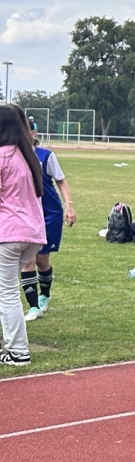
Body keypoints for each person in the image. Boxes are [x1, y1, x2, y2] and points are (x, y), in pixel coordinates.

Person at [0, 105, 47, 367]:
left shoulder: (3, 156)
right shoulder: (26, 156)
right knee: (3, 288)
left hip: (9, 233)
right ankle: (13, 346)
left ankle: (18, 350)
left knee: (6, 291)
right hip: (32, 233)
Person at [20, 129, 77, 321]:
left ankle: (45, 295)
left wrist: (69, 206)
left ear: (32, 132)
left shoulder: (46, 156)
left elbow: (61, 181)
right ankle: (33, 306)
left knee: (42, 260)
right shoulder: (14, 155)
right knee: (28, 260)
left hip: (49, 214)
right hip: (26, 215)